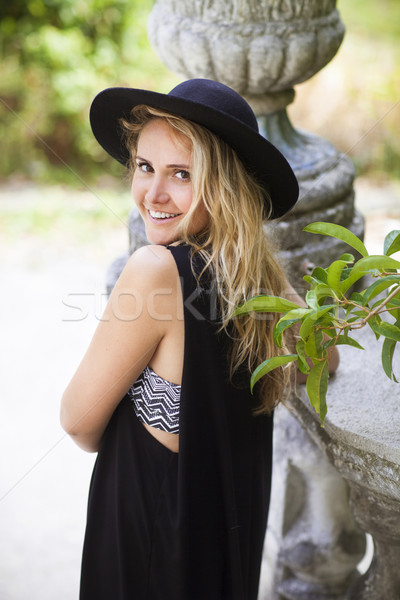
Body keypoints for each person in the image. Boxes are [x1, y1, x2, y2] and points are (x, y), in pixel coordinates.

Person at [61, 78, 338, 600]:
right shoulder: (259, 284)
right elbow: (325, 358)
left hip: (153, 535)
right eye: (145, 167)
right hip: (224, 542)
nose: (153, 194)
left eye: (181, 174)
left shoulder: (155, 270)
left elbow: (77, 421)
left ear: (225, 186)